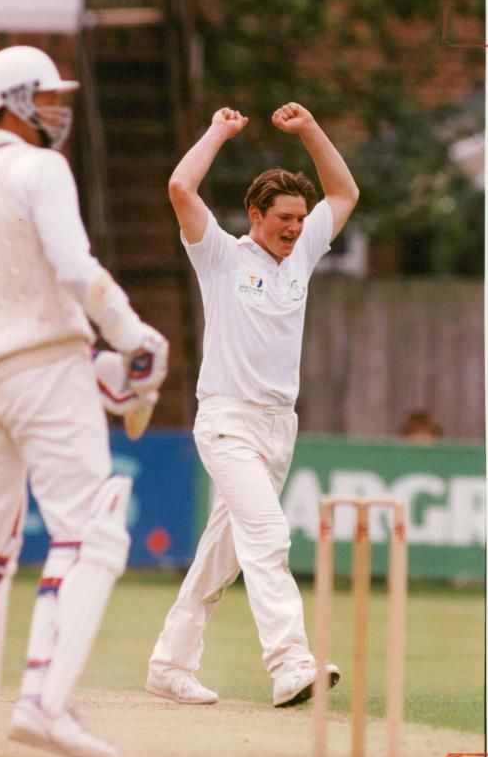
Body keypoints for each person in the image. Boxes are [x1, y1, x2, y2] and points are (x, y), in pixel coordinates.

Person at [0, 45, 168, 757]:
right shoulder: (39, 168)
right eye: (49, 96)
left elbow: (14, 296)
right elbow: (73, 270)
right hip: (44, 368)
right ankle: (44, 703)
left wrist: (102, 366)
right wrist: (131, 335)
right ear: (14, 99)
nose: (59, 109)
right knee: (91, 530)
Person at [146, 102, 359, 709]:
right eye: (284, 218)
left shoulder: (305, 253)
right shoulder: (220, 256)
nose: (295, 227)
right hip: (226, 419)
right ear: (255, 216)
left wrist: (313, 130)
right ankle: (291, 663)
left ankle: (169, 664)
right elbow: (180, 186)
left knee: (222, 559)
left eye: (300, 217)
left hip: (278, 426)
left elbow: (343, 194)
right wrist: (217, 130)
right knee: (267, 535)